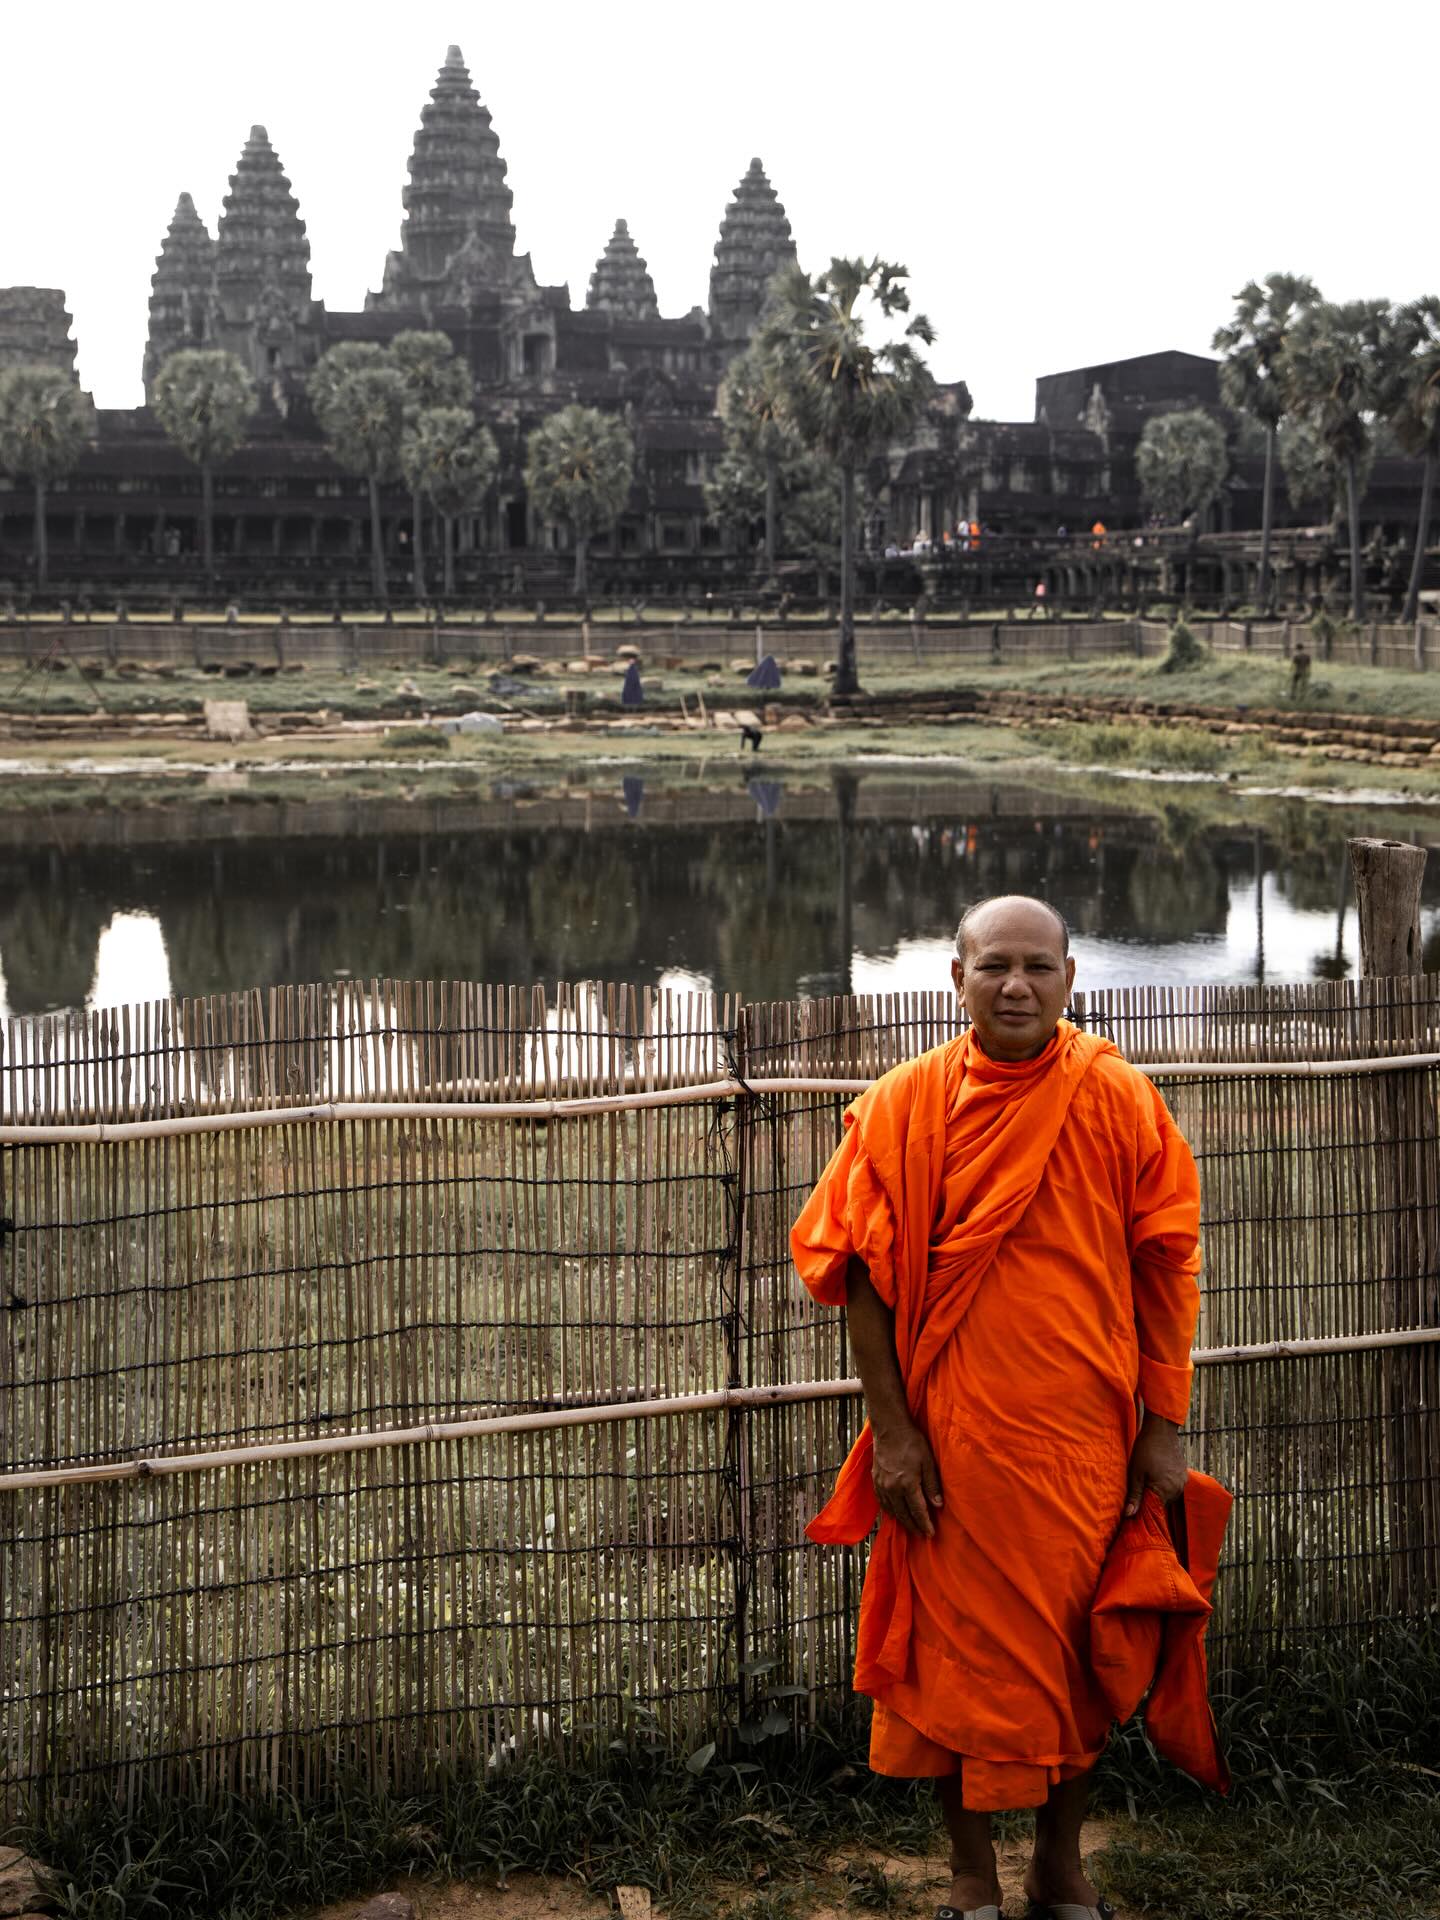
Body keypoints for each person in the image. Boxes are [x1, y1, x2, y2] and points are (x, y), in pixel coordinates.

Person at [791, 896, 1203, 1920]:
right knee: (949, 1658)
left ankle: (1060, 1867)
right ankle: (971, 1876)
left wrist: (1162, 1426)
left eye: (1036, 968)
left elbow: (1167, 1271)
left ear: (1072, 980)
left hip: (1080, 1438)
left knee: (1079, 1652)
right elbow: (860, 1277)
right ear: (957, 980)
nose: (1015, 986)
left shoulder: (1118, 1099)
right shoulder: (901, 1107)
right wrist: (892, 1436)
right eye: (994, 968)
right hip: (950, 1440)